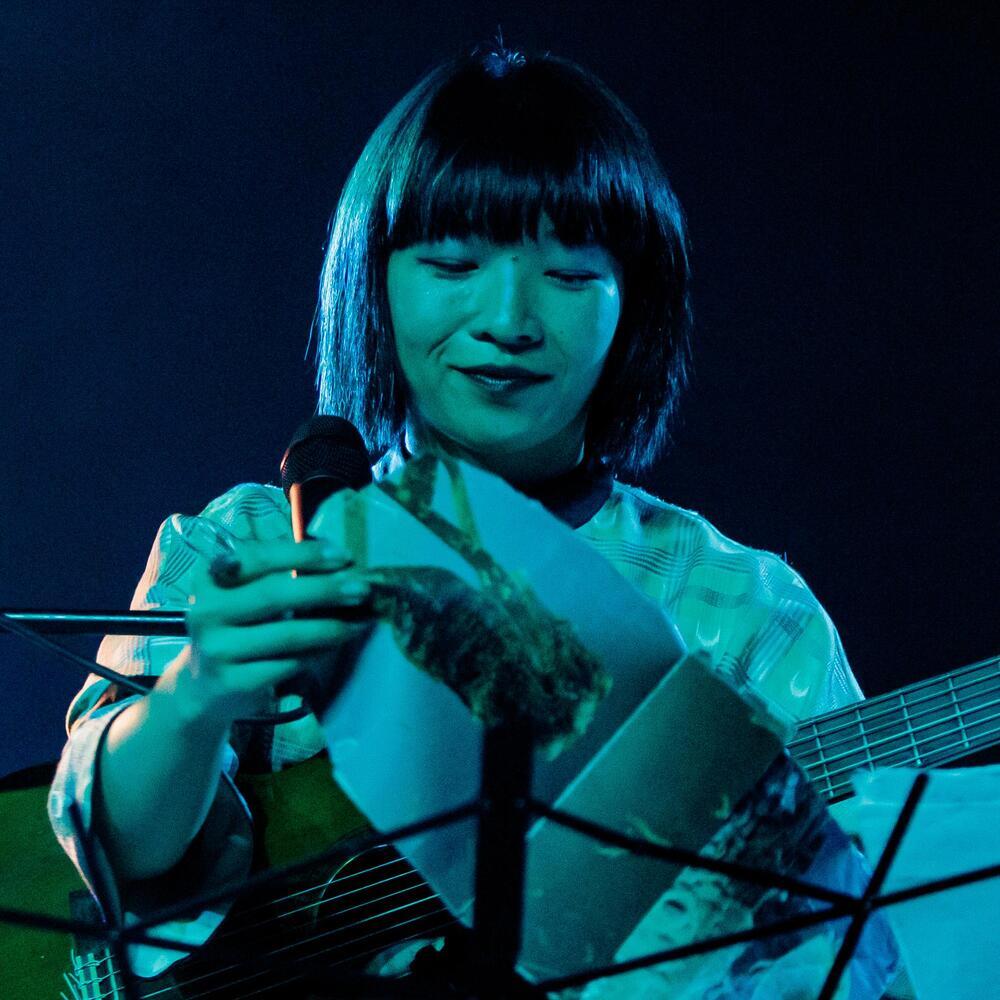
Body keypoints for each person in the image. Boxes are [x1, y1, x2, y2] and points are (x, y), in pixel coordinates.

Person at [48, 37, 901, 997]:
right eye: (452, 263)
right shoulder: (246, 543)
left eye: (570, 276)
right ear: (374, 281)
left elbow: (850, 951)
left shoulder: (747, 612)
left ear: (637, 301)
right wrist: (196, 695)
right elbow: (114, 855)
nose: (508, 320)